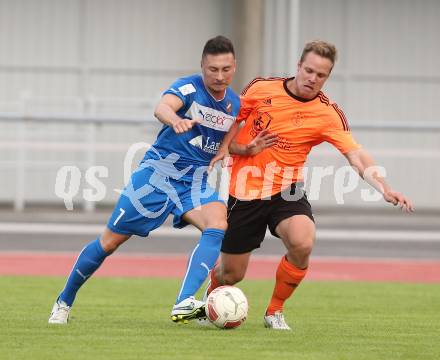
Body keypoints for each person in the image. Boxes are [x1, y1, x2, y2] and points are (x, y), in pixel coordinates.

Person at [206, 40, 414, 330]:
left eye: (321, 75)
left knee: (303, 241)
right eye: (309, 71)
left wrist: (383, 187)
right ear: (299, 67)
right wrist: (228, 150)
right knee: (232, 274)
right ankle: (212, 295)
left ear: (327, 77)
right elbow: (232, 121)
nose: (313, 79)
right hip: (245, 190)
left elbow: (355, 154)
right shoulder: (261, 88)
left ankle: (274, 311)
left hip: (287, 190)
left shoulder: (328, 113)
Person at [49, 35, 248, 324]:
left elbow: (228, 135)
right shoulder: (188, 87)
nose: (219, 76)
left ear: (234, 67)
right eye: (212, 69)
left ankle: (184, 302)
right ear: (202, 67)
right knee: (108, 243)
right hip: (158, 176)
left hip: (194, 181)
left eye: (226, 69)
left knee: (218, 224)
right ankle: (64, 301)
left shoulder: (233, 103)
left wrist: (236, 147)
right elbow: (162, 107)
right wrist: (174, 119)